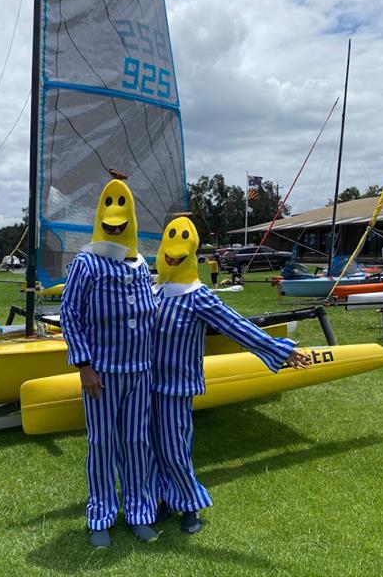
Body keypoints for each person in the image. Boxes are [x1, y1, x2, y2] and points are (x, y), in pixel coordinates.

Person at [151, 215, 310, 534]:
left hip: (177, 387)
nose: (172, 255)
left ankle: (189, 504)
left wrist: (280, 350)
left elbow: (237, 327)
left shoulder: (199, 296)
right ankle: (163, 498)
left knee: (174, 448)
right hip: (146, 386)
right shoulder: (154, 291)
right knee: (152, 448)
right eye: (169, 247)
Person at [59, 171, 159, 549]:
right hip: (101, 376)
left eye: (123, 209)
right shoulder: (86, 265)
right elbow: (70, 314)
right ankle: (100, 514)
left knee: (136, 442)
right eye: (109, 207)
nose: (115, 220)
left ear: (132, 218)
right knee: (101, 443)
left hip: (140, 374)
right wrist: (83, 365)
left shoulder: (139, 267)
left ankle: (139, 512)